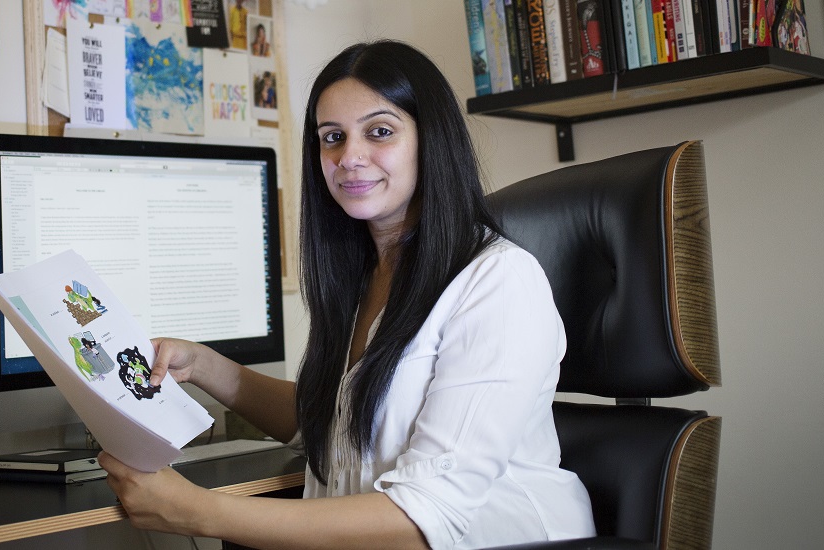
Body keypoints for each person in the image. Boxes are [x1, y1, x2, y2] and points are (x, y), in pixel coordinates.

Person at [98, 40, 597, 549]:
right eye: (331, 137)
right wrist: (204, 366)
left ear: (432, 139)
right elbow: (331, 424)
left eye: (379, 131)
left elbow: (423, 520)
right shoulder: (363, 276)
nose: (349, 158)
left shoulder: (499, 282)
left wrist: (198, 512)